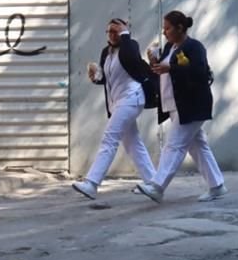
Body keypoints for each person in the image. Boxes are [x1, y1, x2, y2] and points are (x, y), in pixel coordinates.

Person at [136, 11, 227, 203]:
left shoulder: (194, 47)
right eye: (164, 28)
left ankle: (157, 186)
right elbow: (163, 72)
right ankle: (216, 185)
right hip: (175, 104)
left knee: (174, 145)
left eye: (168, 28)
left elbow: (199, 72)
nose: (164, 32)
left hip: (193, 104)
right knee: (198, 146)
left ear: (180, 28)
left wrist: (171, 68)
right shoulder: (170, 47)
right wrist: (154, 62)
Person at [72, 18, 158, 200]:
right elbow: (108, 79)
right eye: (109, 31)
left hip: (132, 97)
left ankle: (92, 183)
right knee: (132, 143)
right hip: (117, 102)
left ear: (123, 33)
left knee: (110, 138)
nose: (112, 35)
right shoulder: (106, 52)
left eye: (116, 31)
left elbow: (131, 60)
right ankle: (153, 182)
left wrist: (125, 34)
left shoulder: (130, 46)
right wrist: (96, 77)